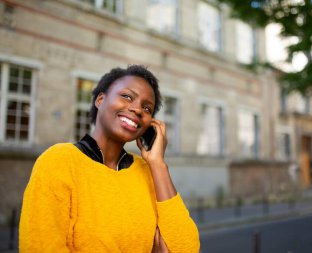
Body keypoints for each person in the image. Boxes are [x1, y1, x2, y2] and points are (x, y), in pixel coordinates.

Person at [19, 65, 200, 252]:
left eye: (147, 108)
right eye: (127, 96)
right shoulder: (59, 161)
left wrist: (158, 164)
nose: (138, 109)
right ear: (100, 99)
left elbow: (187, 248)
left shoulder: (147, 171)